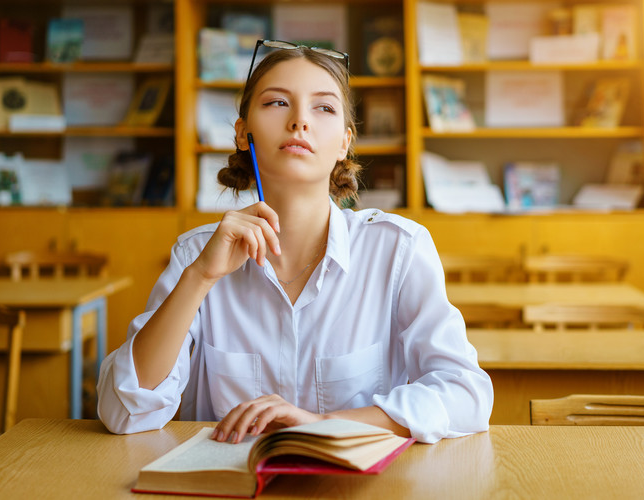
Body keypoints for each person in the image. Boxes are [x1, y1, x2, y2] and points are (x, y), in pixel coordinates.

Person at [97, 41, 493, 444]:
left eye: (324, 107)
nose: (300, 120)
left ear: (344, 142)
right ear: (242, 132)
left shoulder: (398, 250)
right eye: (276, 103)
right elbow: (124, 409)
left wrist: (322, 424)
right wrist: (200, 276)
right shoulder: (196, 255)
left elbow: (467, 394)